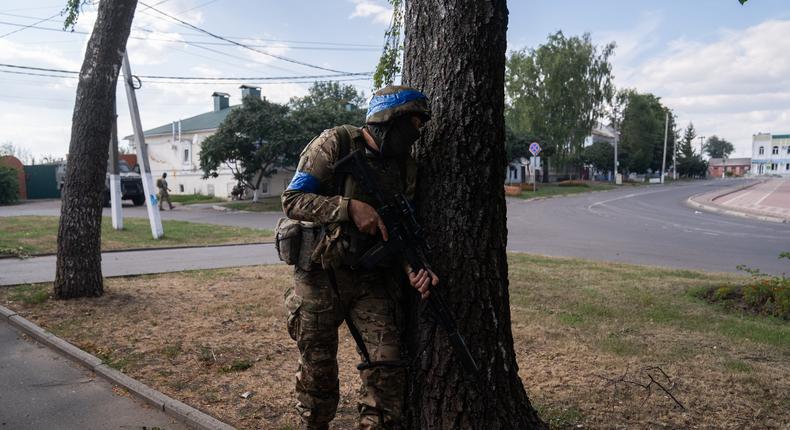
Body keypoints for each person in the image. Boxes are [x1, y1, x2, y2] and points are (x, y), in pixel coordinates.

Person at [281, 85, 438, 430]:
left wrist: (414, 268)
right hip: (320, 277)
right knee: (318, 375)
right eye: (411, 124)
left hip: (370, 281)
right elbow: (292, 200)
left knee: (388, 368)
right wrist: (348, 208)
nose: (416, 133)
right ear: (387, 121)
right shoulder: (334, 143)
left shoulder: (405, 169)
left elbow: (398, 232)